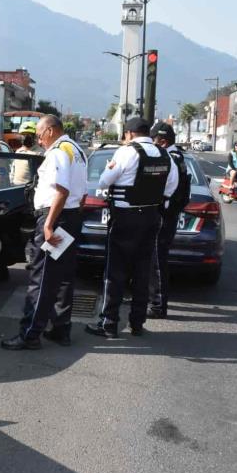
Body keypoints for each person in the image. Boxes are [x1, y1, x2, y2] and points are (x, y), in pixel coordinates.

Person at [86, 116, 178, 339]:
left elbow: (103, 182)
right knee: (142, 271)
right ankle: (137, 323)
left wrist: (109, 169)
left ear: (129, 134)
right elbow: (172, 186)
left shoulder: (126, 152)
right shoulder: (166, 154)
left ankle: (108, 324)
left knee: (115, 272)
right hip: (151, 217)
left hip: (125, 218)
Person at [1, 115, 87, 350]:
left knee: (42, 278)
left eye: (39, 134)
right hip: (69, 218)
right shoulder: (76, 150)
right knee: (63, 278)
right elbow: (82, 193)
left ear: (50, 130)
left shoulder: (59, 151)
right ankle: (60, 329)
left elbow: (62, 190)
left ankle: (30, 334)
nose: (38, 139)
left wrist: (49, 225)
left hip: (55, 219)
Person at [147, 122, 191, 319]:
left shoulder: (170, 159)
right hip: (170, 214)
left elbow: (164, 189)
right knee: (157, 258)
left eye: (154, 140)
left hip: (164, 215)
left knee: (157, 260)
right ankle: (154, 299)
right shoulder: (178, 157)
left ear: (162, 142)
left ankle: (157, 305)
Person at [11, 121, 44, 185]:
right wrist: (11, 183)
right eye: (23, 134)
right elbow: (13, 171)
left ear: (34, 136)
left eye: (28, 135)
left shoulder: (41, 153)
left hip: (31, 190)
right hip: (15, 189)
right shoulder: (18, 152)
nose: (25, 137)